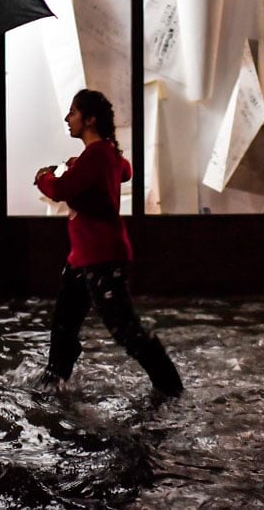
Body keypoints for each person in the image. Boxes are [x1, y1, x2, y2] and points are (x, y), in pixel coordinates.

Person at [34, 89, 184, 397]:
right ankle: (54, 380)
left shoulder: (99, 154)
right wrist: (82, 161)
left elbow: (62, 188)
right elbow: (124, 170)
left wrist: (42, 177)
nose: (67, 118)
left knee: (125, 328)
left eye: (73, 113)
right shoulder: (104, 154)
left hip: (101, 257)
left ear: (90, 119)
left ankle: (169, 386)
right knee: (63, 322)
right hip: (82, 257)